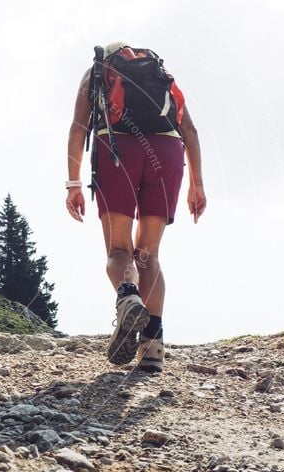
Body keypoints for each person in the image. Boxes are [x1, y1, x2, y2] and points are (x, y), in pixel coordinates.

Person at [65, 41, 206, 373]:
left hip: (119, 148)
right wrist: (197, 184)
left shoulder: (97, 73)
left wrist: (73, 184)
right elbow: (190, 130)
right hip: (167, 151)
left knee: (118, 250)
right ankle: (153, 347)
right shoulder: (162, 77)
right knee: (149, 254)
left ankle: (128, 297)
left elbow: (77, 128)